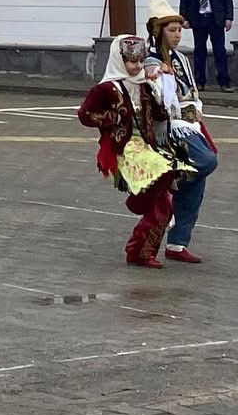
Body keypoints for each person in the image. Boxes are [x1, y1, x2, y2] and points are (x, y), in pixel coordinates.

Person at [76, 35, 190, 269]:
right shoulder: (106, 88)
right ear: (119, 60)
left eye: (140, 61)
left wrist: (164, 87)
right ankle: (138, 204)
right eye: (131, 61)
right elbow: (85, 114)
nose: (137, 66)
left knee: (165, 205)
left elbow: (159, 114)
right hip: (124, 147)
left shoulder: (144, 83)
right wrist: (113, 118)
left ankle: (140, 251)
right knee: (163, 173)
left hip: (148, 144)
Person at [147, 0, 218, 265]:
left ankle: (178, 243)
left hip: (190, 123)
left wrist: (197, 108)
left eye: (179, 30)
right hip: (169, 127)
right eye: (171, 30)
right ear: (159, 31)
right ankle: (170, 180)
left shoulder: (182, 59)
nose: (177, 35)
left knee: (198, 183)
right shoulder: (150, 60)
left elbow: (192, 92)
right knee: (207, 161)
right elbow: (157, 96)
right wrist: (157, 75)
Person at [177, 0, 234, 91]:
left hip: (215, 18)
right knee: (199, 51)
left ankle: (224, 83)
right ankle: (199, 82)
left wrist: (228, 17)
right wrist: (183, 17)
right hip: (198, 18)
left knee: (220, 51)